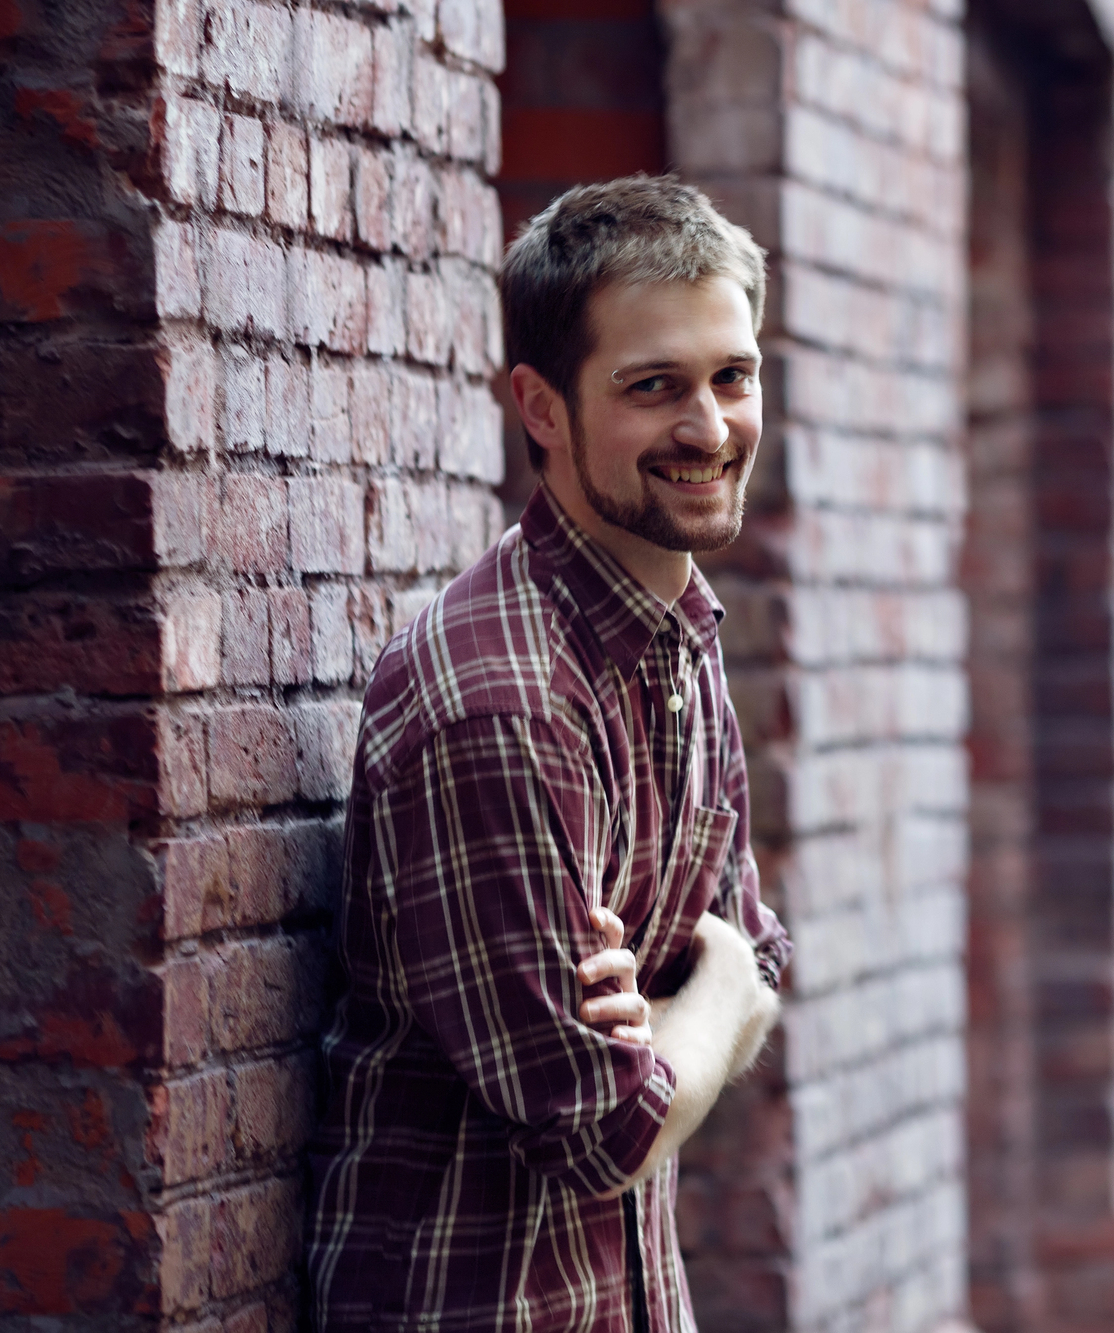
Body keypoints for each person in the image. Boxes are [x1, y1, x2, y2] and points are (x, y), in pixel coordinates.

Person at [307, 175, 792, 1333]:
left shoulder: (677, 632)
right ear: (540, 407)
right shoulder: (499, 703)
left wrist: (700, 1009)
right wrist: (714, 990)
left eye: (732, 376)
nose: (708, 426)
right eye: (652, 387)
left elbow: (757, 968)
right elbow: (601, 1125)